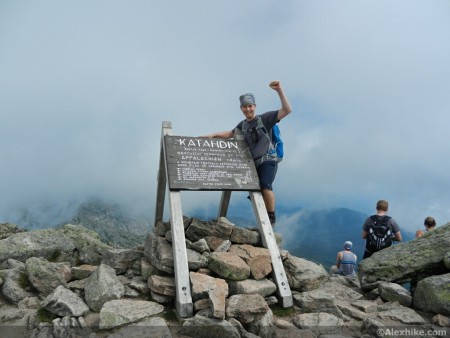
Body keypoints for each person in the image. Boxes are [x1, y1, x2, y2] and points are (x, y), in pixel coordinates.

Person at [203, 80, 292, 226]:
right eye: (245, 107)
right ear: (241, 108)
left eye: (250, 106)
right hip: (254, 163)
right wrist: (212, 135)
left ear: (254, 106)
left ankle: (271, 218)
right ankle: (263, 218)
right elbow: (230, 134)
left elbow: (287, 110)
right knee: (255, 191)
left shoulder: (265, 119)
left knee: (265, 186)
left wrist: (279, 90)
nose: (248, 109)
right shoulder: (242, 125)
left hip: (268, 159)